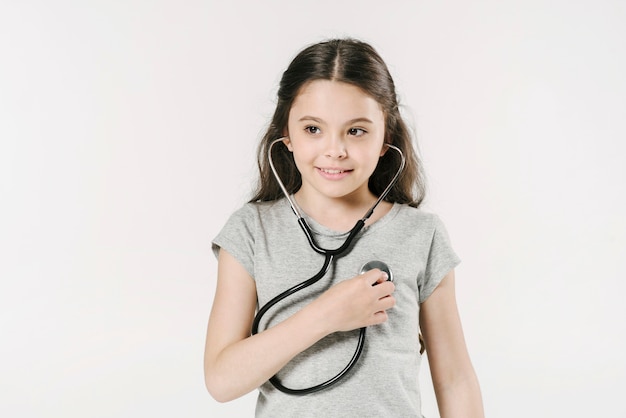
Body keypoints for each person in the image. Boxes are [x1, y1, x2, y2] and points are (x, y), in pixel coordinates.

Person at [204, 38, 484, 417]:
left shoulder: (422, 235)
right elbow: (222, 381)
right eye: (313, 129)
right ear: (285, 134)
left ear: (386, 138)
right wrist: (326, 316)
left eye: (356, 131)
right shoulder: (252, 231)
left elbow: (455, 380)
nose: (334, 150)